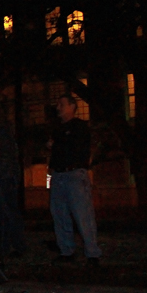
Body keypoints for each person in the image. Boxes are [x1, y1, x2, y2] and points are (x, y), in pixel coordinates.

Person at [47, 94, 100, 265]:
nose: (58, 108)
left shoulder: (79, 127)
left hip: (74, 175)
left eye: (61, 104)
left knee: (83, 215)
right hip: (59, 175)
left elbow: (74, 148)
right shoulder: (57, 128)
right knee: (60, 215)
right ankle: (66, 250)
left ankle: (92, 253)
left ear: (72, 106)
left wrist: (56, 144)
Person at [0, 107, 26, 258]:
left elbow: (1, 159)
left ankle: (10, 245)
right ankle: (12, 245)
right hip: (8, 177)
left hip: (3, 178)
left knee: (5, 212)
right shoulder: (6, 133)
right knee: (9, 212)